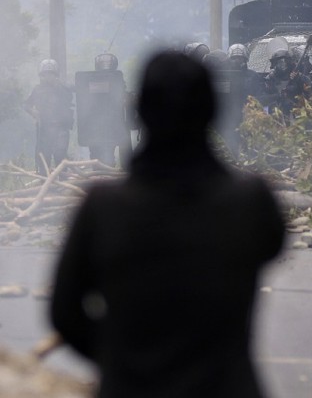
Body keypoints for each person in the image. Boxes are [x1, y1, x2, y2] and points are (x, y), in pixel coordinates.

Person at [50, 51, 285, 398]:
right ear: (212, 111)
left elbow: (65, 313)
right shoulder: (251, 201)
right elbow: (270, 246)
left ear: (140, 112)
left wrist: (121, 358)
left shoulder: (103, 206)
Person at [75, 53, 133, 167]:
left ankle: (106, 176)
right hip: (94, 127)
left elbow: (122, 99)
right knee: (96, 157)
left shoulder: (118, 81)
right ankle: (100, 176)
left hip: (109, 127)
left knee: (108, 158)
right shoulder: (89, 81)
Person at [25, 59, 74, 176]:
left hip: (61, 129)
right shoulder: (37, 90)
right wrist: (33, 112)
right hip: (44, 129)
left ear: (55, 75)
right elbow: (26, 104)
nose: (48, 77)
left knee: (60, 156)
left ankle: (63, 185)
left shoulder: (63, 88)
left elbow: (73, 95)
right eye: (45, 74)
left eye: (51, 74)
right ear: (41, 75)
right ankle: (45, 185)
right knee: (43, 158)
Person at [264, 47, 312, 118]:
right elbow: (264, 98)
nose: (283, 64)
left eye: (285, 61)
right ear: (275, 63)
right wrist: (278, 95)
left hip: (298, 114)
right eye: (280, 61)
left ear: (289, 61)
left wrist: (299, 79)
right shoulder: (270, 78)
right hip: (277, 115)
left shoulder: (299, 76)